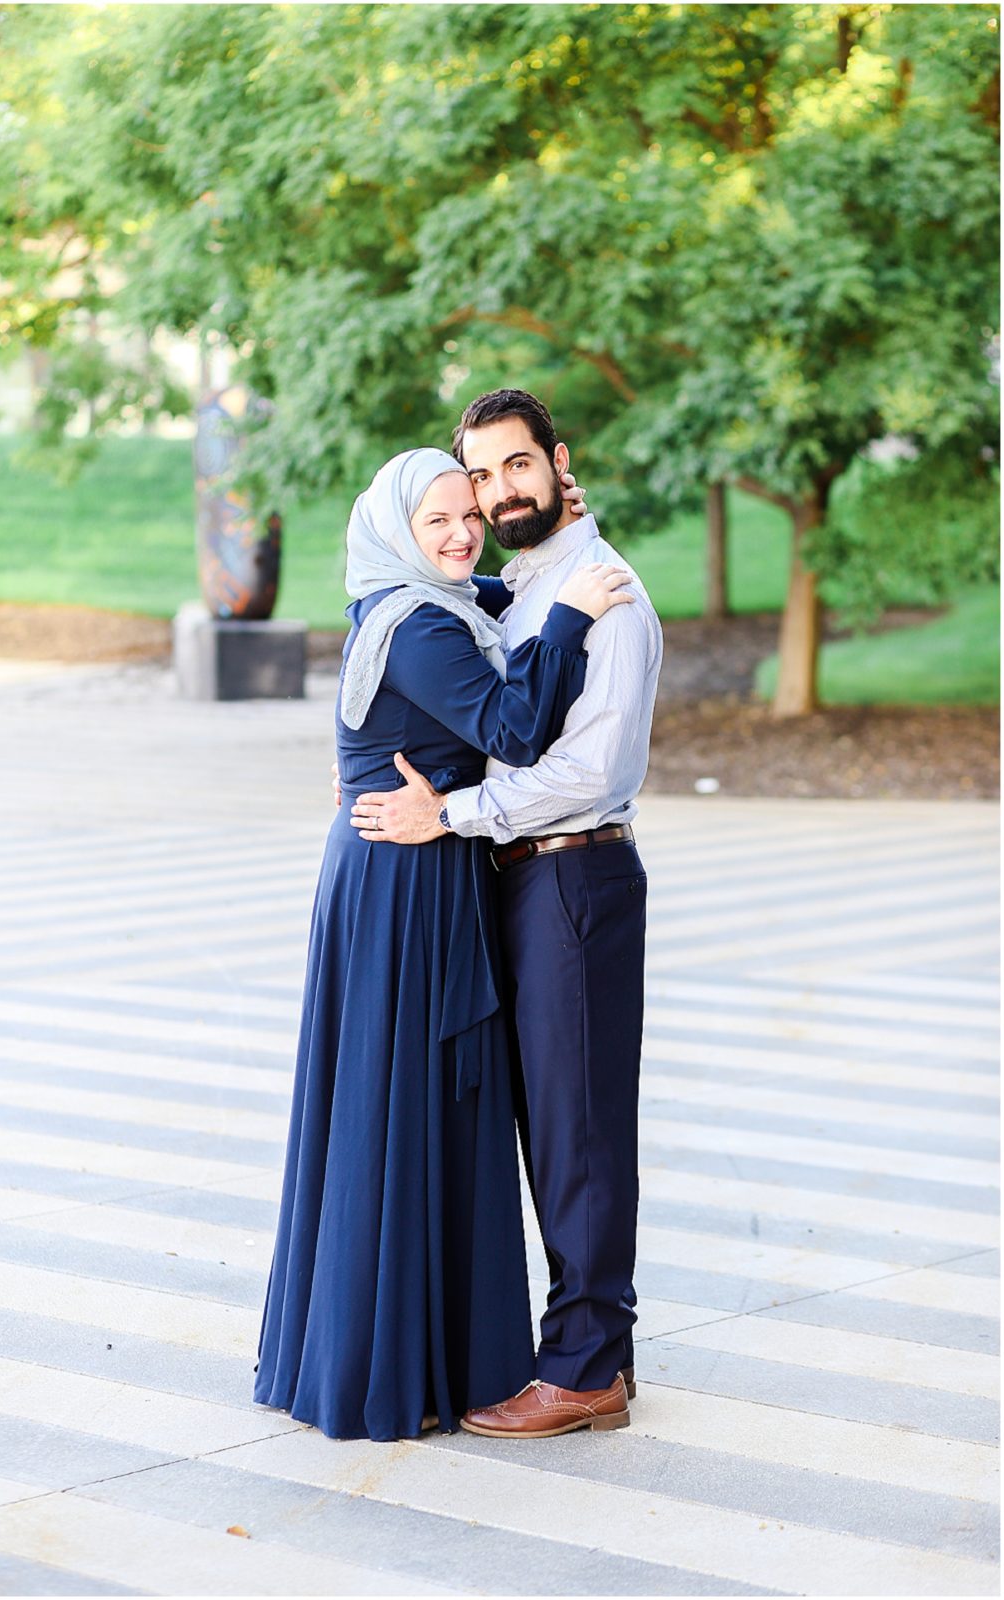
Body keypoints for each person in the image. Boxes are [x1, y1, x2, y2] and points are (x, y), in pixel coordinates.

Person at [253, 445, 634, 1442]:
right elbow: (510, 728)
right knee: (400, 1108)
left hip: (420, 866)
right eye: (439, 523)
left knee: (422, 1109)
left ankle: (439, 1354)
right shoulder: (419, 622)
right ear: (395, 536)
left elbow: (499, 588)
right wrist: (569, 612)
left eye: (471, 513)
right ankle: (390, 1367)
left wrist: (553, 540)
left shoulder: (440, 601)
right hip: (402, 881)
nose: (464, 534)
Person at [350, 392, 664, 1439]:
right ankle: (592, 1345)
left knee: (578, 1132)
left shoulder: (603, 592)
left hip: (574, 872)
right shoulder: (523, 585)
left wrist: (454, 811)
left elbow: (591, 767)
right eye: (479, 478)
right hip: (522, 879)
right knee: (552, 1127)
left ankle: (583, 1370)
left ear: (556, 462)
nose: (495, 494)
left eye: (516, 467)